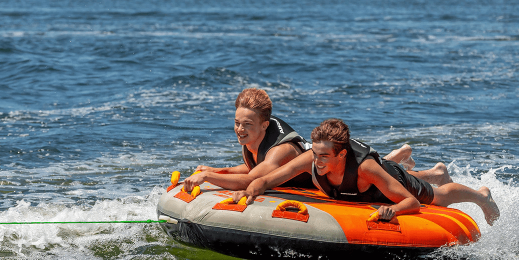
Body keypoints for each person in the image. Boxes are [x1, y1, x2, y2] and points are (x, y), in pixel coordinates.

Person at [232, 118, 500, 226]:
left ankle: (480, 196)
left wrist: (392, 211)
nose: (317, 161)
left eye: (325, 156)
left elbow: (412, 202)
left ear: (342, 154)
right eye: (315, 153)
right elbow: (270, 178)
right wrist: (252, 188)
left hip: (389, 178)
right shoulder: (311, 159)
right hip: (365, 188)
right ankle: (435, 171)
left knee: (438, 196)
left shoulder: (366, 168)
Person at [183, 88, 452, 192]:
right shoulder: (254, 139)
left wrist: (208, 178)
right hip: (326, 169)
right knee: (383, 168)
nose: (240, 130)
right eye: (236, 123)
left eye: (247, 125)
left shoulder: (281, 152)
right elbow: (251, 168)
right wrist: (213, 170)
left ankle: (434, 174)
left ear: (264, 125)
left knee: (385, 178)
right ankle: (398, 158)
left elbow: (254, 179)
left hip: (334, 167)